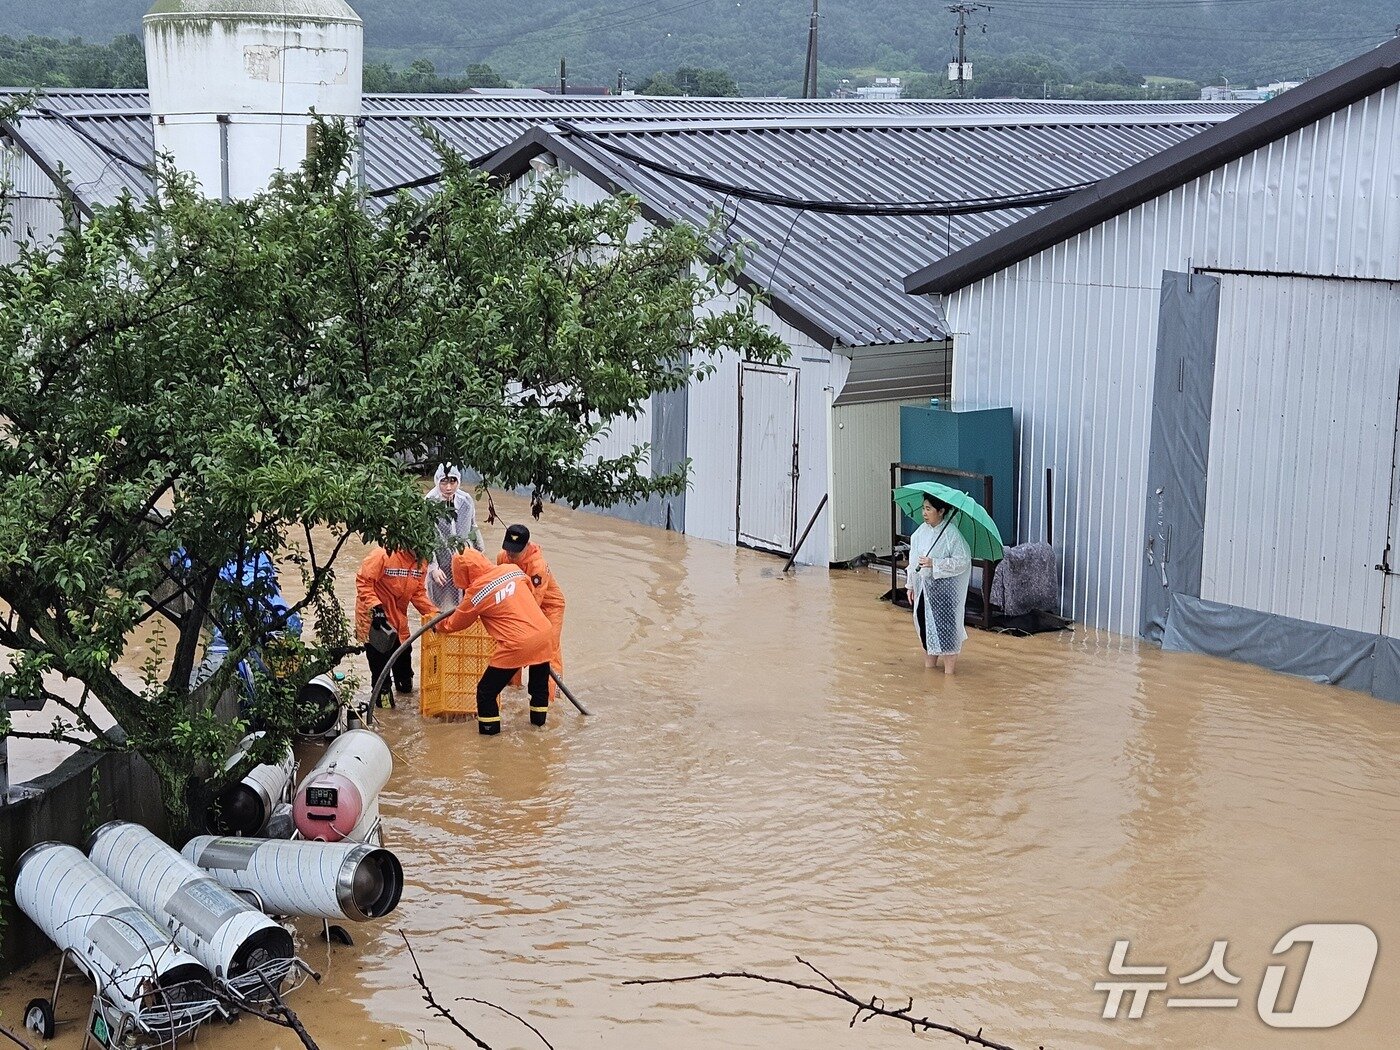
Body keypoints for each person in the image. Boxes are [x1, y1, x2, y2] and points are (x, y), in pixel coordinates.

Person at [436, 548, 554, 735]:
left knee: (486, 692)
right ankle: (539, 731)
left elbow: (458, 622)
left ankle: (490, 741)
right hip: (544, 633)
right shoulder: (512, 569)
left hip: (516, 644)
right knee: (539, 687)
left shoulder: (477, 591)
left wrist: (439, 626)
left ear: (462, 573)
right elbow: (530, 592)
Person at [355, 545, 438, 706]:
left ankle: (403, 709)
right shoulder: (383, 554)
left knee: (405, 675)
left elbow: (418, 593)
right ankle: (385, 716)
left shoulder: (422, 561)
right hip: (375, 621)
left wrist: (434, 614)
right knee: (381, 678)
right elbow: (363, 581)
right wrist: (375, 607)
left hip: (399, 620)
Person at [496, 523, 565, 698]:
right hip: (519, 605)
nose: (510, 555)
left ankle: (552, 696)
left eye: (515, 551)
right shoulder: (502, 557)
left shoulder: (538, 566)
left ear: (527, 546)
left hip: (548, 608)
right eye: (508, 549)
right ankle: (512, 691)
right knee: (511, 644)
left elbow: (535, 602)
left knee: (548, 649)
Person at [907, 492, 972, 675]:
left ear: (941, 511)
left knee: (947, 631)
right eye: (923, 508)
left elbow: (963, 561)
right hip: (923, 591)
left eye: (928, 509)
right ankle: (930, 671)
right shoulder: (920, 532)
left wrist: (935, 563)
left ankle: (949, 675)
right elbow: (913, 561)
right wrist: (910, 586)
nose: (924, 513)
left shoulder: (951, 534)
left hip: (944, 592)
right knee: (926, 628)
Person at [425, 464, 484, 607]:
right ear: (437, 481)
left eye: (453, 481)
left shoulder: (465, 500)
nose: (448, 488)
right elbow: (426, 538)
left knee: (464, 605)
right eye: (444, 482)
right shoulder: (429, 503)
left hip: (463, 563)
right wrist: (433, 567)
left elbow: (472, 526)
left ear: (458, 481)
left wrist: (480, 552)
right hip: (441, 565)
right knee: (440, 608)